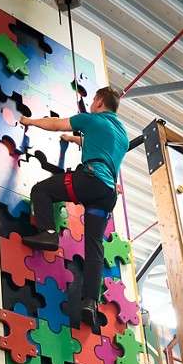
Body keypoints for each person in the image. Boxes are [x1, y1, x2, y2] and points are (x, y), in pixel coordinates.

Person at [19, 85, 128, 329]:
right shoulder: (122, 134)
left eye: (93, 101)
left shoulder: (91, 119)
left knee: (42, 190)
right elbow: (99, 143)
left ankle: (48, 233)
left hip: (89, 182)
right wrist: (74, 140)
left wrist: (30, 120)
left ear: (99, 101)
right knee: (94, 248)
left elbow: (56, 124)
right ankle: (90, 301)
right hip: (107, 195)